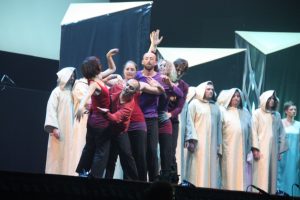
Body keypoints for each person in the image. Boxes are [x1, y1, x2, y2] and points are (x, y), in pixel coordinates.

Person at [105, 60, 164, 181]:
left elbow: (159, 91)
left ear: (136, 71)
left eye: (132, 69)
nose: (130, 71)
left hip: (138, 122)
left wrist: (156, 84)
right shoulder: (118, 82)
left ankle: (141, 183)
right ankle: (130, 182)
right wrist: (115, 75)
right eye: (127, 69)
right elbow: (102, 80)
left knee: (140, 155)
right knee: (126, 155)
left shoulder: (139, 84)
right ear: (124, 70)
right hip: (122, 123)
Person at [75, 48, 118, 178]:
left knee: (90, 147)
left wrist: (108, 56)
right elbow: (86, 96)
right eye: (98, 63)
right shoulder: (94, 83)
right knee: (101, 151)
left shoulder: (97, 78)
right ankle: (95, 177)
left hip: (93, 120)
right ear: (95, 67)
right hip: (101, 122)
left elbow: (112, 69)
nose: (101, 65)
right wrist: (80, 107)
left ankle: (83, 171)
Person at [98, 78, 142, 180]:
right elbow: (105, 96)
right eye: (127, 85)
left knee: (126, 155)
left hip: (120, 132)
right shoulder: (117, 88)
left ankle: (134, 182)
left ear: (135, 93)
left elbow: (115, 118)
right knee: (110, 157)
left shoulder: (129, 106)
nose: (127, 88)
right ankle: (107, 180)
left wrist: (105, 113)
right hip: (109, 129)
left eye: (131, 88)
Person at [184, 81, 222, 188]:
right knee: (198, 167)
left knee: (211, 169)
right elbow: (189, 122)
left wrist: (219, 144)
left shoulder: (216, 107)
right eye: (208, 89)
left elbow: (219, 126)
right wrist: (191, 139)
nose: (210, 91)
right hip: (199, 143)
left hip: (213, 144)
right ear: (202, 90)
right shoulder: (194, 104)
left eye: (212, 89)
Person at [135, 51, 166, 181]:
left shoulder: (159, 77)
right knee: (140, 152)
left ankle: (154, 182)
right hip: (137, 118)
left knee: (152, 151)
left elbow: (162, 95)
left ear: (155, 62)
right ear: (142, 61)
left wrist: (158, 88)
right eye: (146, 58)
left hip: (152, 118)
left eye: (151, 59)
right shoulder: (137, 76)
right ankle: (141, 182)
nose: (148, 61)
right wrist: (155, 89)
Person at [251, 90, 288, 194]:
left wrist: (279, 151)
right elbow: (253, 131)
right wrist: (255, 149)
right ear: (264, 99)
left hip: (273, 150)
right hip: (261, 149)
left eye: (273, 99)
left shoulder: (277, 115)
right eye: (270, 98)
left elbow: (281, 133)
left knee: (271, 174)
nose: (272, 100)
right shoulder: (257, 113)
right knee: (261, 174)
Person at [44, 67, 76, 175]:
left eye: (73, 76)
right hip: (59, 129)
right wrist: (54, 127)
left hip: (71, 131)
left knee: (69, 155)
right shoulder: (56, 92)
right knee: (57, 155)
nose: (72, 78)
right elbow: (51, 110)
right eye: (70, 75)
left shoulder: (73, 93)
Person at [220, 88, 252, 191]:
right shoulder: (223, 111)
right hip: (228, 149)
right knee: (229, 174)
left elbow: (251, 132)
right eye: (234, 96)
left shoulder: (245, 112)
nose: (236, 98)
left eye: (238, 96)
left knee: (241, 174)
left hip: (243, 150)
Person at [156, 59, 183, 179]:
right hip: (152, 117)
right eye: (160, 65)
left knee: (169, 152)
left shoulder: (179, 85)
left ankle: (170, 179)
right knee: (151, 150)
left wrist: (170, 115)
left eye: (165, 65)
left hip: (170, 120)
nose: (162, 67)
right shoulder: (153, 79)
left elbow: (180, 100)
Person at [277, 101, 300, 196]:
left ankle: (293, 193)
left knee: (293, 173)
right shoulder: (280, 122)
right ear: (286, 111)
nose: (293, 111)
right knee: (281, 173)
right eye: (291, 109)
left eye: (295, 109)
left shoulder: (299, 124)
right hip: (283, 153)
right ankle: (280, 191)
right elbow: (277, 139)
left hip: (295, 154)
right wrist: (277, 152)